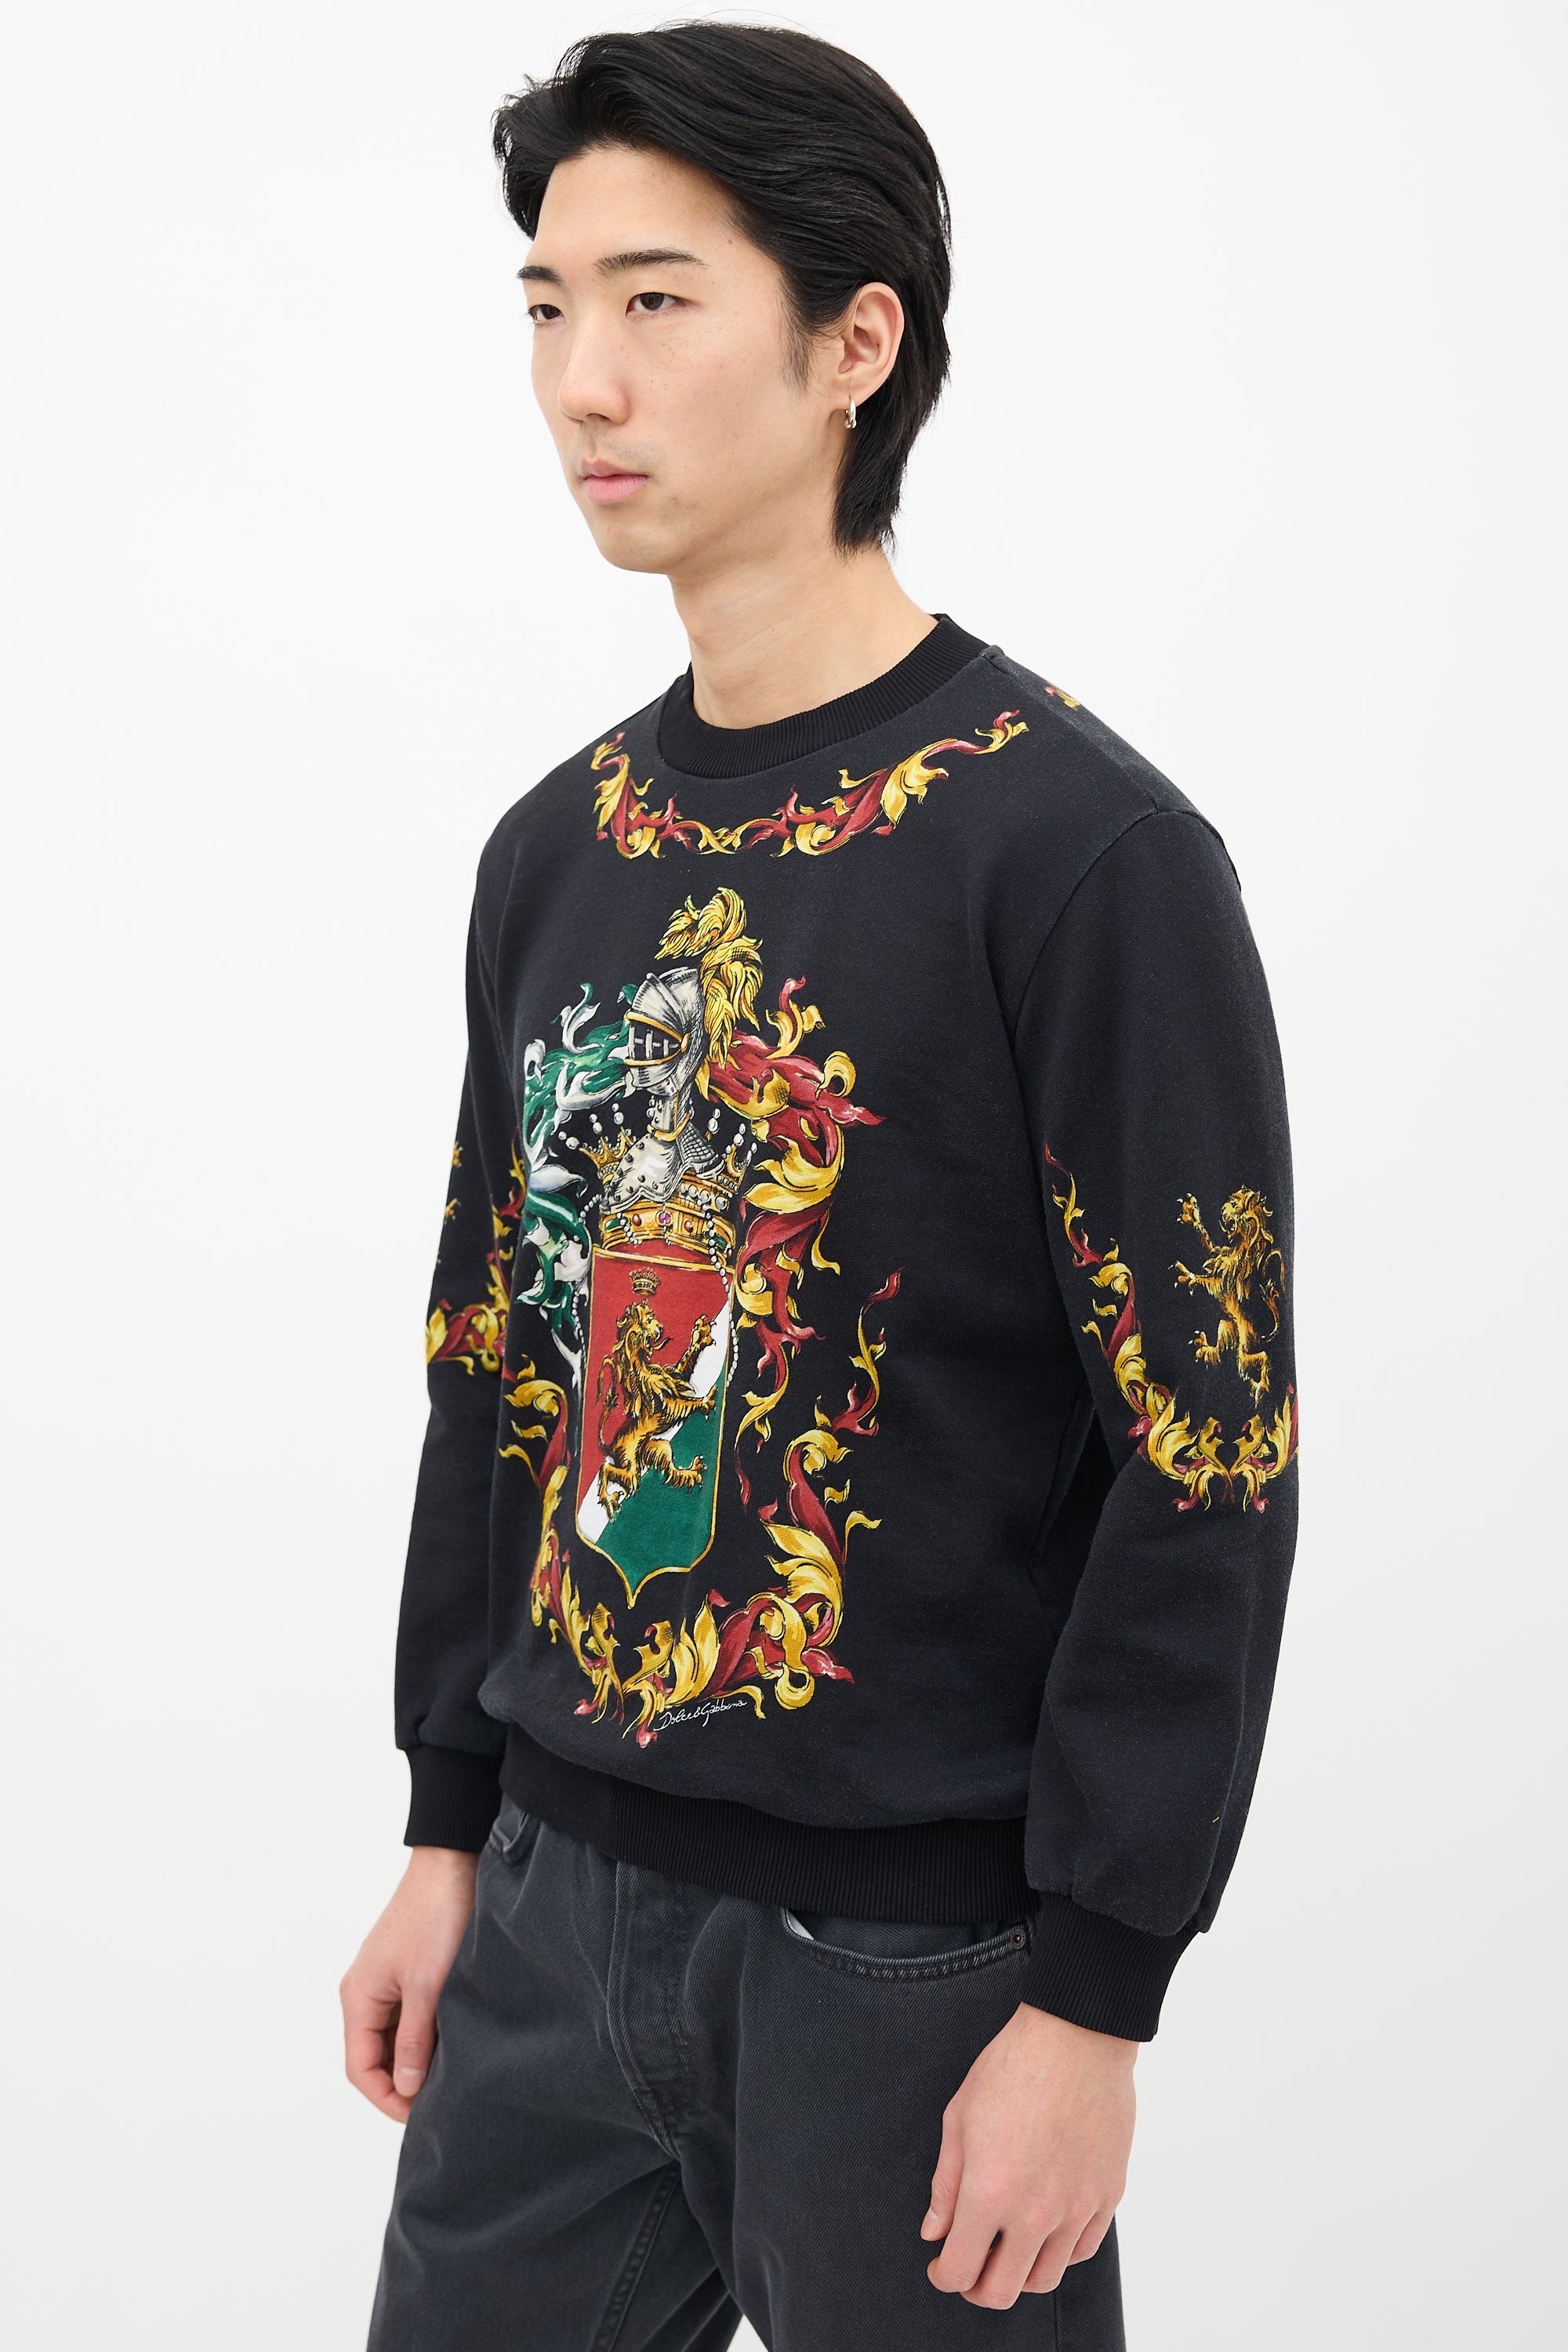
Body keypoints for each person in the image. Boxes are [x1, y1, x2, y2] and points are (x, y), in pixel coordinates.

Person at [340, 24, 1299, 2350]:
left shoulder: (1079, 857)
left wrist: (1097, 1998)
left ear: (856, 342)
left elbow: (1208, 1460)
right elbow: (498, 1364)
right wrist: (447, 1827)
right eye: (549, 306)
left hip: (917, 1968)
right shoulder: (556, 851)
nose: (582, 380)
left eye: (656, 300)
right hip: (553, 1900)